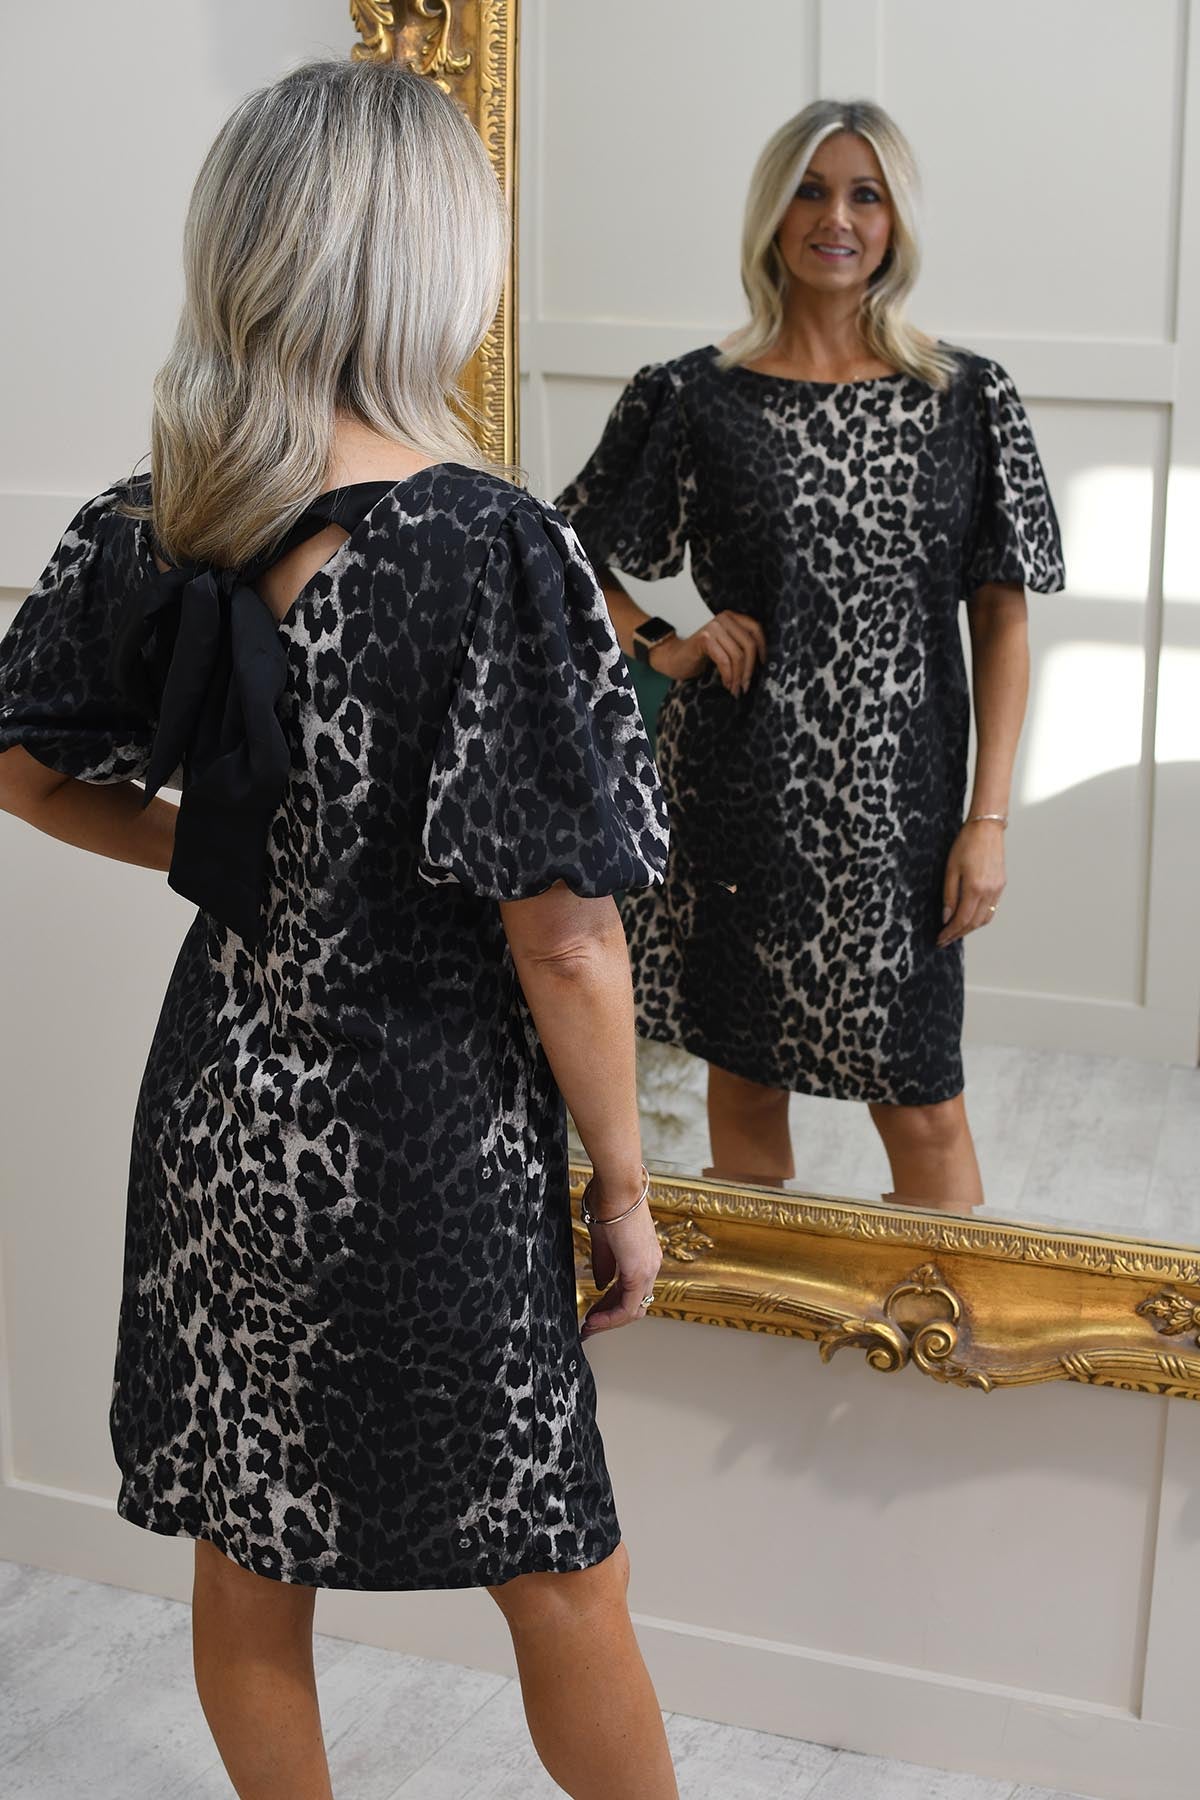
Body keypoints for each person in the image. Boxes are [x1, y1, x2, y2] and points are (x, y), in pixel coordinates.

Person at [0, 58, 679, 1800]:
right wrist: (622, 1182)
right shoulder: (495, 547)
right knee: (563, 1570)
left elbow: (21, 764)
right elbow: (566, 940)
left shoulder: (168, 517)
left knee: (252, 1546)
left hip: (221, 1121)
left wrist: (241, 853)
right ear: (430, 263)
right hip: (426, 1144)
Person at [554, 98, 1065, 1212]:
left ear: (895, 221)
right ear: (773, 214)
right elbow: (563, 551)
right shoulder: (694, 397)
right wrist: (666, 644)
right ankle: (761, 1315)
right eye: (812, 191)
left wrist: (987, 819)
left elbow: (1002, 616)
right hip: (745, 794)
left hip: (906, 808)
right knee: (745, 1083)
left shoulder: (964, 400)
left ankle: (941, 1313)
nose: (837, 218)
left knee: (924, 1106)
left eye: (865, 195)